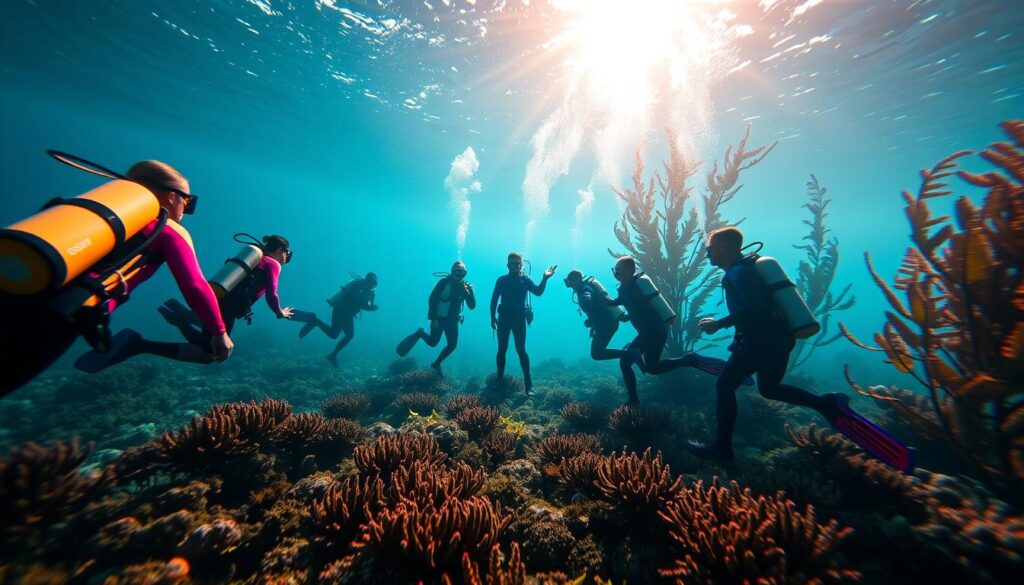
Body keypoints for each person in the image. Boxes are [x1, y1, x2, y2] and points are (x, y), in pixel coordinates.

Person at [1, 160, 233, 394]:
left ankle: (141, 342)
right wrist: (219, 332)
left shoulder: (86, 212)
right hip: (65, 312)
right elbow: (194, 285)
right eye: (188, 201)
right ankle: (140, 342)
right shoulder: (169, 230)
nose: (186, 209)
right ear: (173, 196)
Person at [685, 227, 847, 465]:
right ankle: (825, 404)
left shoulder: (738, 273)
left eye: (709, 249)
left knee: (725, 385)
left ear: (722, 248)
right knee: (770, 389)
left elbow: (755, 307)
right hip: (779, 339)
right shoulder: (747, 268)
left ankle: (722, 448)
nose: (706, 254)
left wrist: (720, 323)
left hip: (759, 342)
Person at [76, 234, 295, 372]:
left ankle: (183, 318)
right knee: (212, 354)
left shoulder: (254, 258)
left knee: (207, 344)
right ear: (280, 250)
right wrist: (279, 312)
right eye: (288, 254)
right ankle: (140, 343)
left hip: (216, 301)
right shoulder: (272, 264)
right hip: (227, 307)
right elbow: (272, 294)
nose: (287, 259)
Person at [609, 256, 699, 406]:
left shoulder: (638, 286)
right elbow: (625, 309)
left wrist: (603, 300)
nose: (616, 274)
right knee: (645, 366)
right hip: (646, 333)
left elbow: (624, 304)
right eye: (615, 271)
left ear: (631, 271)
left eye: (619, 271)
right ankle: (688, 360)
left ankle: (634, 400)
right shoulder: (623, 289)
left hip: (656, 332)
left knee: (639, 365)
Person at [490, 252, 556, 397]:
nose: (513, 266)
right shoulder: (501, 280)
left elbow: (538, 292)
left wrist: (545, 278)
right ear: (507, 265)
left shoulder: (525, 279)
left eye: (516, 264)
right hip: (503, 318)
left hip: (519, 319)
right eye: (511, 264)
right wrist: (492, 318)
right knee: (502, 349)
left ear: (521, 265)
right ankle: (499, 379)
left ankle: (528, 385)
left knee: (521, 350)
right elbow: (494, 299)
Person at [395, 260, 476, 377]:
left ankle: (436, 363)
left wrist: (470, 292)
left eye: (463, 273)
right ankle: (420, 333)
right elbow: (432, 300)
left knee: (452, 345)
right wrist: (434, 319)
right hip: (439, 318)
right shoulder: (443, 283)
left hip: (453, 321)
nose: (460, 275)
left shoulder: (465, 287)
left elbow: (472, 306)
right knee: (433, 343)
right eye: (457, 272)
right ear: (452, 272)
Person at [293, 272, 378, 366]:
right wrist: (366, 299)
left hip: (347, 314)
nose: (372, 284)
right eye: (371, 281)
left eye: (374, 282)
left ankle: (316, 322)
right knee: (347, 335)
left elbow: (364, 306)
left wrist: (371, 307)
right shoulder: (358, 285)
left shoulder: (369, 292)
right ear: (367, 279)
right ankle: (332, 354)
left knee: (335, 334)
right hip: (340, 310)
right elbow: (353, 298)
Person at [563, 269, 627, 361]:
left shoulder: (584, 289)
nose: (569, 285)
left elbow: (590, 301)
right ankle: (630, 353)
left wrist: (591, 321)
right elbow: (595, 308)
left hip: (607, 323)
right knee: (597, 353)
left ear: (576, 280)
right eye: (568, 281)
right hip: (608, 322)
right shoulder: (584, 287)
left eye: (570, 281)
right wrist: (593, 325)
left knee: (597, 354)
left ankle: (631, 353)